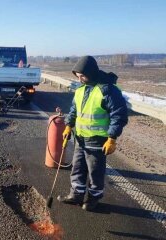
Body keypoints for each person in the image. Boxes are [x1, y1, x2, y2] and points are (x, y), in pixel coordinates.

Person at [60, 55, 128, 211]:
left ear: (91, 72)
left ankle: (93, 198)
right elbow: (74, 110)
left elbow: (119, 115)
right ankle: (76, 195)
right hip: (81, 138)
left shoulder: (107, 90)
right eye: (78, 76)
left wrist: (112, 138)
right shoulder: (80, 90)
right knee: (77, 168)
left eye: (82, 75)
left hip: (98, 140)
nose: (80, 79)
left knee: (95, 172)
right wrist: (68, 126)